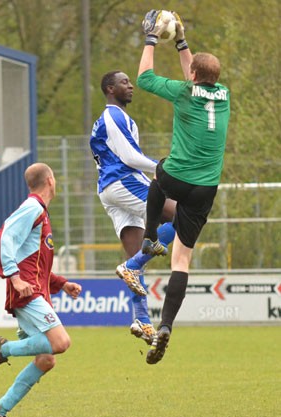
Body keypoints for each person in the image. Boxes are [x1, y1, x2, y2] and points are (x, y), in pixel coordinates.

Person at [127, 10, 230, 364]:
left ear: (193, 76)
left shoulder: (185, 93)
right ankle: (166, 324)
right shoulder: (224, 94)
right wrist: (182, 39)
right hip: (206, 189)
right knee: (181, 260)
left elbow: (144, 78)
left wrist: (152, 40)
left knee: (157, 177)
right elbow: (198, 73)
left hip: (178, 177)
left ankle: (151, 235)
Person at [0, 163, 82, 417]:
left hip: (35, 291)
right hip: (27, 294)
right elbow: (3, 240)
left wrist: (62, 283)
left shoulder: (40, 213)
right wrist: (14, 278)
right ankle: (2, 350)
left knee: (47, 359)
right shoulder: (33, 208)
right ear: (50, 179)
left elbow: (35, 265)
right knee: (61, 342)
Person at [90, 70, 176, 345]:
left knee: (137, 260)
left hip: (110, 188)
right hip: (123, 182)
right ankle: (130, 266)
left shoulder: (110, 119)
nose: (131, 86)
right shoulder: (114, 115)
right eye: (124, 82)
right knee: (184, 214)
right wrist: (164, 169)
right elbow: (129, 157)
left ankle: (142, 320)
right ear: (110, 89)